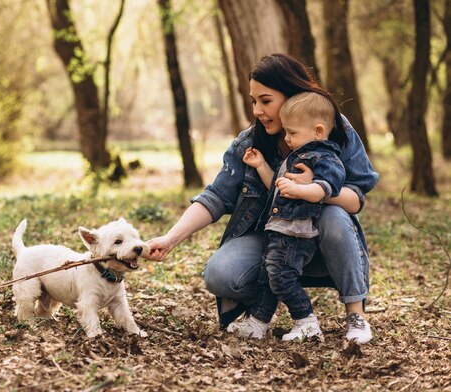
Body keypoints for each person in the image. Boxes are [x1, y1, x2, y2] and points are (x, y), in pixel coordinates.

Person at [146, 53, 379, 344]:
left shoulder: (331, 128)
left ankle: (356, 315)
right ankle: (266, 308)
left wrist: (313, 189)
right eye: (253, 101)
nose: (257, 110)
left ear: (292, 95)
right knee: (220, 274)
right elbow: (216, 197)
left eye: (265, 101)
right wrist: (169, 239)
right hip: (276, 241)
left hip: (324, 246)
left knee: (333, 214)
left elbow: (356, 199)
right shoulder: (250, 143)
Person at [234, 91, 345, 341]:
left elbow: (326, 189)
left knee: (282, 278)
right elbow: (275, 185)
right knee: (268, 277)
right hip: (279, 230)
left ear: (318, 131)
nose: (287, 138)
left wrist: (300, 189)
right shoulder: (295, 157)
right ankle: (257, 323)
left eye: (292, 133)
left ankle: (306, 322)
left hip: (297, 233)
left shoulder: (325, 158)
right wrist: (261, 165)